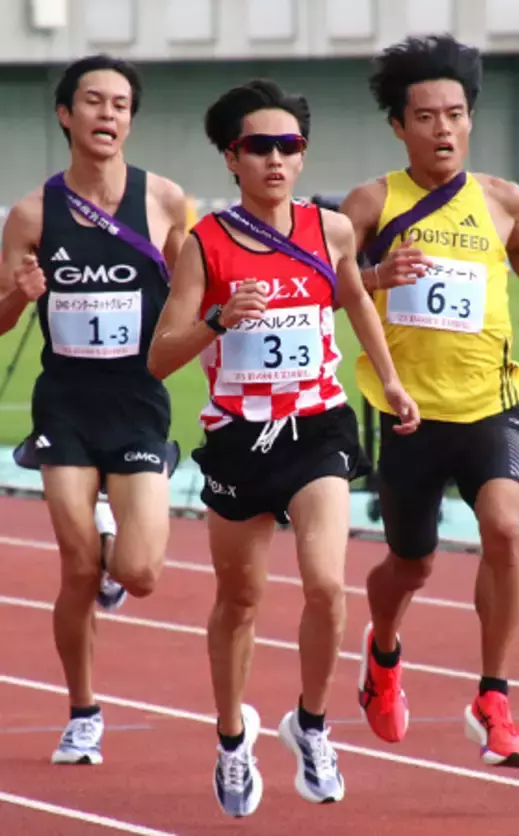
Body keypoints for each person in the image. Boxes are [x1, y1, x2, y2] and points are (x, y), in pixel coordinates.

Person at [148, 78, 420, 817]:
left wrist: (389, 382)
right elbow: (160, 357)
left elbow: (355, 297)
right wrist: (217, 320)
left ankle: (311, 722)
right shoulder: (205, 244)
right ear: (231, 158)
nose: (276, 158)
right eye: (259, 146)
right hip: (239, 438)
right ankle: (234, 737)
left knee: (327, 586)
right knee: (240, 599)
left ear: (303, 157)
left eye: (289, 146)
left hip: (317, 427)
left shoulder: (330, 230)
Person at [340, 35, 519, 769]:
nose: (443, 128)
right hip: (410, 411)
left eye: (456, 114)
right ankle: (382, 652)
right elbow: (329, 282)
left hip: (490, 402)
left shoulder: (502, 199)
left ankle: (493, 697)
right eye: (427, 116)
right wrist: (375, 280)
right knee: (413, 565)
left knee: (504, 529)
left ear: (471, 121)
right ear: (398, 126)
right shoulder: (372, 202)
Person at [0, 54, 188, 764]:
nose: (108, 114)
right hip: (67, 405)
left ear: (130, 120)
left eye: (120, 104)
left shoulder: (166, 200)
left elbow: (191, 296)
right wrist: (22, 292)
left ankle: (118, 539)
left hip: (139, 403)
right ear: (64, 115)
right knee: (76, 570)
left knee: (139, 575)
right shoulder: (31, 213)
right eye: (93, 102)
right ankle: (84, 711)